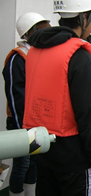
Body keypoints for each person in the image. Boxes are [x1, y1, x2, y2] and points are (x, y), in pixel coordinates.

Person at [22, 0, 91, 195]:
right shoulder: (79, 56)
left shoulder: (35, 50)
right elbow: (90, 113)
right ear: (83, 18)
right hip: (74, 159)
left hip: (42, 149)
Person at [2, 12, 51, 196]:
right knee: (22, 164)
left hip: (38, 123)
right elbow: (16, 97)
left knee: (34, 164)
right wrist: (22, 128)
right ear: (30, 33)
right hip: (21, 123)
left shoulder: (38, 55)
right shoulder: (17, 58)